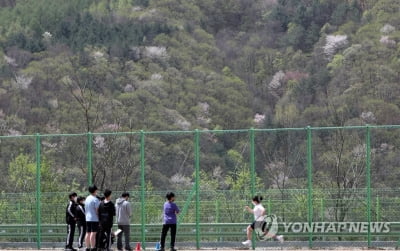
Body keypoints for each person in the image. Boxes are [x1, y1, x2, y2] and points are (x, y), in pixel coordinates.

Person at [85, 185, 100, 251]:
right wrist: (99, 218)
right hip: (94, 218)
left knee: (88, 233)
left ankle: (87, 247)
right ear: (95, 190)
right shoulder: (95, 199)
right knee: (93, 233)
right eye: (96, 190)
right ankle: (93, 248)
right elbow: (97, 210)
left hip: (87, 218)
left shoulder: (87, 198)